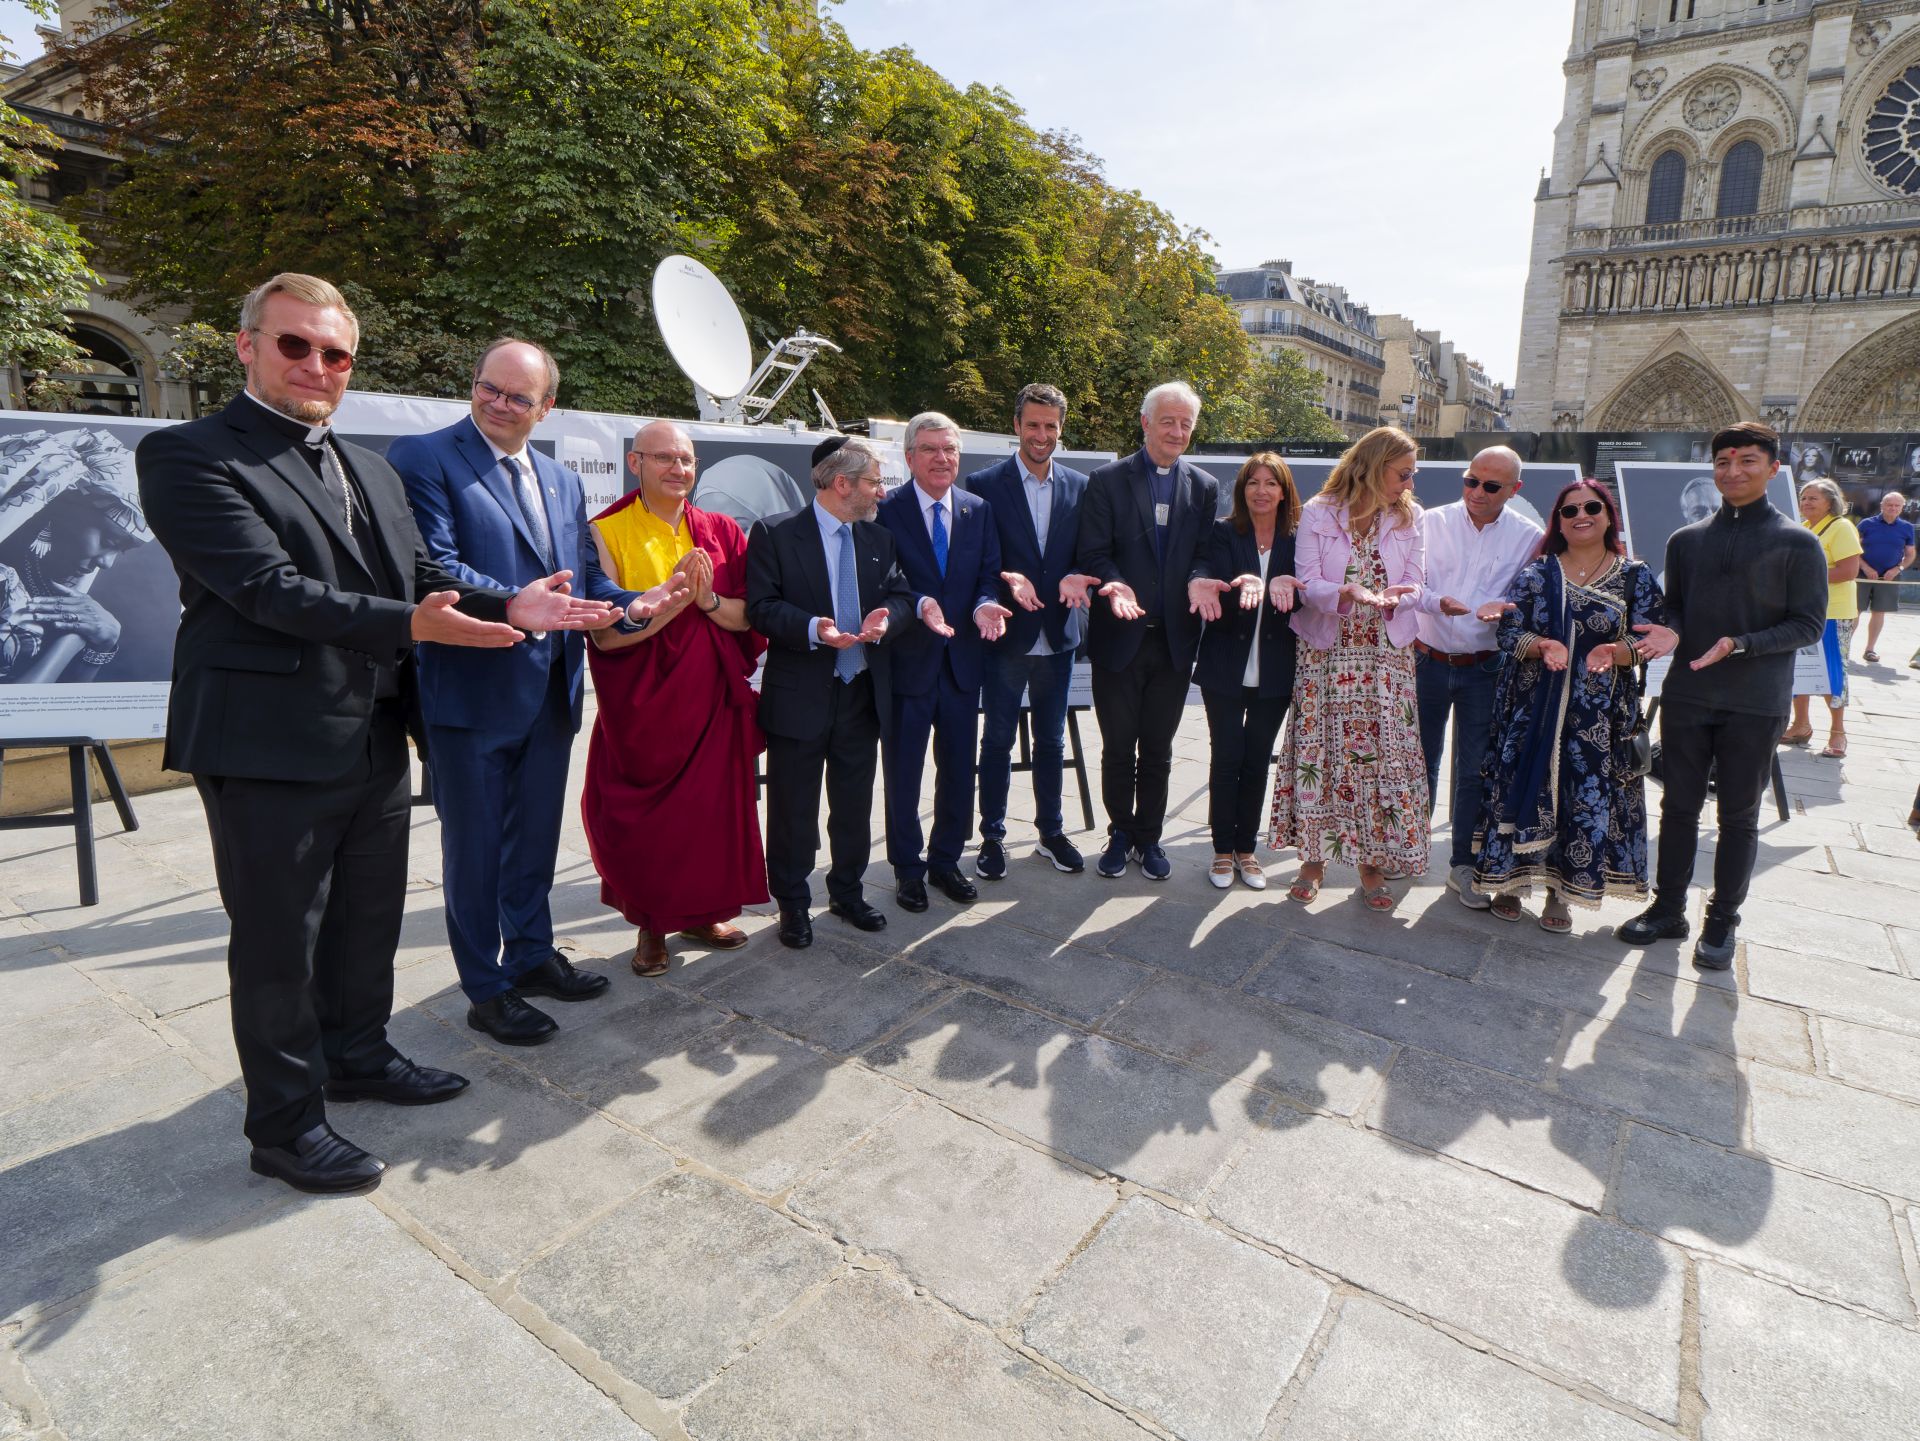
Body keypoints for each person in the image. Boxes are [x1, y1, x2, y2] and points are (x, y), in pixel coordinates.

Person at [135, 274, 618, 1193]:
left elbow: (423, 570)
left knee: (369, 919)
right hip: (265, 741)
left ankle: (358, 1054)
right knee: (281, 941)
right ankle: (283, 1124)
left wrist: (507, 601)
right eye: (295, 345)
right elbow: (270, 590)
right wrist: (418, 625)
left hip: (376, 731)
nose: (316, 366)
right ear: (247, 346)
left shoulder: (365, 465)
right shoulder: (190, 454)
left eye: (335, 353)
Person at [390, 338, 618, 1047]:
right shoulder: (423, 458)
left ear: (545, 408)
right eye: (489, 387)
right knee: (476, 849)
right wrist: (513, 605)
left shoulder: (561, 479)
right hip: (470, 692)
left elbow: (582, 580)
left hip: (550, 690)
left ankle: (531, 954)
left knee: (534, 842)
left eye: (519, 396)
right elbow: (434, 567)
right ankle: (485, 988)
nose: (498, 403)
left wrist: (645, 600)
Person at [1617, 421, 1826, 969]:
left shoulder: (1797, 542)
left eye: (1747, 461)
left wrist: (1740, 644)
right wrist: (1671, 631)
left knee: (1739, 815)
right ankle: (1668, 909)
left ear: (1773, 468)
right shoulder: (1685, 541)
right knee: (1678, 807)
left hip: (1755, 702)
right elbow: (1677, 607)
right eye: (1723, 462)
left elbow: (1808, 624)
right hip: (1688, 694)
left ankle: (1722, 921)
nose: (1733, 472)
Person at [579, 420, 769, 976]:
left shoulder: (722, 530)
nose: (677, 470)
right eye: (663, 458)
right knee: (647, 822)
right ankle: (650, 924)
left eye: (685, 460)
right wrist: (672, 603)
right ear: (635, 463)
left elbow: (746, 619)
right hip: (643, 708)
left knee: (710, 814)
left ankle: (703, 913)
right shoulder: (606, 531)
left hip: (709, 699)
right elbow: (607, 635)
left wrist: (706, 600)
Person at [1473, 482, 1674, 932]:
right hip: (1532, 709)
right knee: (1523, 787)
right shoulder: (1537, 573)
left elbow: (1650, 637)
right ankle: (1509, 883)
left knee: (1581, 800)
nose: (1580, 515)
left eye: (1591, 507)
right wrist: (1542, 644)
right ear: (1558, 521)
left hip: (1598, 716)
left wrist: (1614, 653)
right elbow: (1508, 633)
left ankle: (1559, 894)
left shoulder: (1634, 576)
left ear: (1608, 515)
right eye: (1569, 510)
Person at [746, 436, 916, 949]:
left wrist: (889, 620)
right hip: (800, 694)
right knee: (793, 807)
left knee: (852, 803)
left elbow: (901, 595)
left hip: (860, 693)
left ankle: (846, 891)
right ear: (842, 484)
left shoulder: (877, 539)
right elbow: (761, 607)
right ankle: (793, 904)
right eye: (874, 482)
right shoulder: (775, 533)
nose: (881, 493)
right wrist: (815, 628)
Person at [1271, 426, 1430, 912]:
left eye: (1412, 474)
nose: (1409, 482)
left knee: (1383, 757)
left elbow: (1418, 582)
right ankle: (1312, 864)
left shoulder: (1411, 515)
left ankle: (1372, 866)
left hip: (1387, 653)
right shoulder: (1320, 511)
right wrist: (1343, 593)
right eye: (1403, 473)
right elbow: (1308, 583)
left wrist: (1399, 596)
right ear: (1375, 464)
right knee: (1322, 754)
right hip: (1328, 651)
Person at [1073, 381, 1219, 881]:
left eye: (1186, 424)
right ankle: (1119, 834)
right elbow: (1093, 552)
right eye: (1168, 421)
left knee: (1158, 747)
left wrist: (1201, 580)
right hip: (1120, 638)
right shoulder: (1107, 481)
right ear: (1145, 422)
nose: (1177, 431)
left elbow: (1203, 552)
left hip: (1174, 640)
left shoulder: (1202, 486)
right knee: (1118, 745)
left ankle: (1150, 837)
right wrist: (1113, 585)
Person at [877, 412, 1013, 911]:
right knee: (904, 772)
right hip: (908, 663)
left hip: (962, 663)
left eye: (950, 449)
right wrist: (918, 604)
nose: (942, 458)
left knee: (958, 769)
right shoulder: (886, 510)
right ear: (910, 456)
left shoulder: (979, 510)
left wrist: (983, 605)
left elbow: (987, 575)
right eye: (931, 449)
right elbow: (885, 580)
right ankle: (907, 869)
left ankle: (945, 860)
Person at [964, 383, 1090, 879]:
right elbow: (973, 560)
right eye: (1033, 425)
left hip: (1058, 634)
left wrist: (1080, 573)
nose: (1042, 435)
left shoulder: (1082, 486)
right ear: (1015, 425)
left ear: (1061, 429)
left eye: (1051, 426)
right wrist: (1002, 582)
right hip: (1007, 636)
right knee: (996, 738)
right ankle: (992, 836)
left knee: (1052, 742)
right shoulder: (983, 484)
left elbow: (1089, 552)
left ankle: (1050, 832)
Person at [1411, 445, 1541, 909]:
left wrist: (1507, 609)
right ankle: (1409, 850)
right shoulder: (1430, 521)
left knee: (1473, 770)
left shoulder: (1529, 537)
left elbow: (1530, 597)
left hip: (1484, 667)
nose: (1477, 493)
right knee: (1417, 761)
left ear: (1514, 490)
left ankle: (1462, 864)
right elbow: (1409, 579)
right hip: (1424, 658)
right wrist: (1433, 600)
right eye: (1471, 481)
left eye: (1491, 486)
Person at [1188, 453, 1302, 889]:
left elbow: (1309, 596)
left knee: (1257, 760)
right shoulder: (1223, 532)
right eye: (1253, 482)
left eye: (1271, 483)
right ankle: (1221, 851)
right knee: (1227, 756)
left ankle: (1247, 849)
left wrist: (1288, 586)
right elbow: (1210, 580)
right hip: (1225, 666)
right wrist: (1243, 584)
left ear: (1283, 490)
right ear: (1242, 489)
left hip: (1275, 670)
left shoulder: (1299, 537)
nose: (1261, 490)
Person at [0, 457, 150, 683]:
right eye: (109, 541)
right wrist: (71, 640)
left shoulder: (39, 581)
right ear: (65, 510)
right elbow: (15, 712)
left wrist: (103, 644)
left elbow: (68, 704)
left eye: (121, 550)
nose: (106, 563)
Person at [1781, 477, 1861, 758]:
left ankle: (1838, 733)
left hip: (1833, 613)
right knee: (1798, 668)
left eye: (1813, 498)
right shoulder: (1801, 529)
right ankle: (1801, 724)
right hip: (1800, 612)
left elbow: (1849, 571)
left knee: (1833, 672)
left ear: (1831, 501)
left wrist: (1804, 578)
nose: (1806, 502)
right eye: (1803, 498)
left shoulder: (1842, 527)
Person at [1854, 489, 1914, 662]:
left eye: (1897, 505)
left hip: (1889, 578)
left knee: (1879, 612)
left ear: (1902, 508)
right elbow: (1853, 550)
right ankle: (1844, 647)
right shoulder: (1866, 524)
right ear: (1882, 505)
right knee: (1854, 611)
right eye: (1889, 504)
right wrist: (1865, 567)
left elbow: (1910, 554)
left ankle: (1870, 650)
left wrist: (1897, 569)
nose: (1893, 508)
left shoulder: (1907, 528)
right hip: (1862, 574)